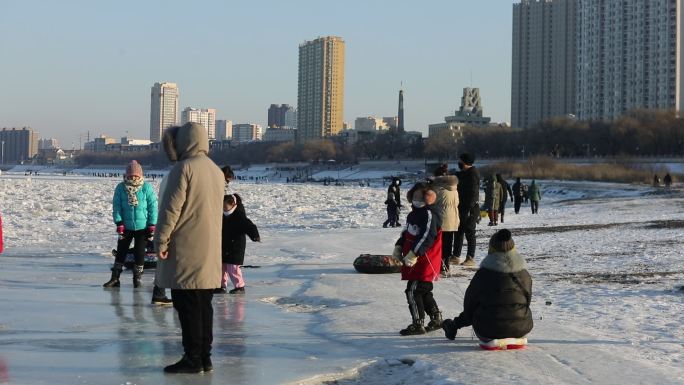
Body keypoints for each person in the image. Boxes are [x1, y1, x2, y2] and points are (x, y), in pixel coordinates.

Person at [154, 122, 224, 374]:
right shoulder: (215, 170)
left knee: (187, 306)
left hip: (186, 248)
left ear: (181, 143)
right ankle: (204, 356)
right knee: (204, 306)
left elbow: (170, 210)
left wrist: (160, 241)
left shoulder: (183, 169)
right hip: (209, 249)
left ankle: (192, 358)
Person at [442, 229, 533, 346]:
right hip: (521, 328)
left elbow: (470, 307)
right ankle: (514, 333)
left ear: (491, 249)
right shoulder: (524, 274)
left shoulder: (484, 274)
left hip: (489, 330)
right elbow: (527, 301)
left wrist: (455, 325)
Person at [392, 184, 443, 335]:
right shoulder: (413, 214)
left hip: (424, 259)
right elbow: (407, 233)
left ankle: (418, 323)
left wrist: (414, 253)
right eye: (414, 197)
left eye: (420, 197)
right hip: (414, 259)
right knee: (423, 290)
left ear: (428, 198)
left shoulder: (429, 214)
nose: (416, 200)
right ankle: (436, 318)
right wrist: (399, 246)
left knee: (412, 291)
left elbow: (427, 237)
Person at [103, 160, 158, 289]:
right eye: (130, 175)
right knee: (121, 252)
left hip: (142, 228)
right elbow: (117, 207)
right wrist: (119, 222)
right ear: (126, 176)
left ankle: (137, 278)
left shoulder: (146, 188)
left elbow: (153, 207)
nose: (133, 178)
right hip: (125, 227)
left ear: (140, 176)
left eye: (135, 176)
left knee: (139, 254)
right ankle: (115, 278)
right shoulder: (121, 188)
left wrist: (151, 224)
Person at [218, 193, 260, 295]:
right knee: (221, 267)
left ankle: (239, 287)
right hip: (223, 246)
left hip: (235, 247)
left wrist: (255, 236)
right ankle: (221, 286)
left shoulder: (239, 215)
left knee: (233, 268)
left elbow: (250, 226)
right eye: (222, 206)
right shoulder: (221, 215)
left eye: (225, 206)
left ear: (232, 204)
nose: (223, 208)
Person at [430, 164, 460, 274]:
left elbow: (430, 203)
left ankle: (439, 264)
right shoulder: (454, 188)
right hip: (452, 219)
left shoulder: (436, 189)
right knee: (448, 243)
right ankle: (446, 264)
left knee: (439, 244)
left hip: (440, 219)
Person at [454, 153, 480, 267]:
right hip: (460, 207)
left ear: (465, 162)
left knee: (470, 233)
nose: (458, 162)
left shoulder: (473, 174)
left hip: (470, 209)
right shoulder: (463, 174)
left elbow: (474, 193)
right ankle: (456, 256)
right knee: (459, 232)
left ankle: (470, 257)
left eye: (460, 161)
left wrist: (469, 208)